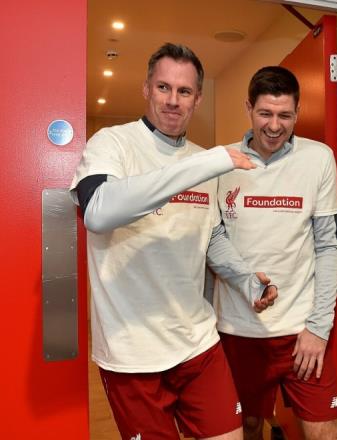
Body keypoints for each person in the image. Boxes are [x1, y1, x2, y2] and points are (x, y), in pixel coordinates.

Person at [70, 43, 277, 440]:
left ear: (197, 99)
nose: (172, 100)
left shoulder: (205, 161)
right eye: (163, 87)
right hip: (132, 350)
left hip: (196, 340)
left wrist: (246, 279)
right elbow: (97, 211)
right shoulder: (112, 144)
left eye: (184, 91)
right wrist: (204, 163)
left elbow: (210, 235)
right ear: (146, 88)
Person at [212, 66, 337, 440]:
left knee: (324, 431)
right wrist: (246, 281)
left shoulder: (318, 158)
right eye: (265, 113)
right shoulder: (221, 163)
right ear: (248, 108)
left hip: (303, 331)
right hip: (238, 331)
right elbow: (212, 240)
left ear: (297, 112)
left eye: (284, 115)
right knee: (247, 428)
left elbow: (327, 246)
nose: (274, 125)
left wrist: (318, 328)